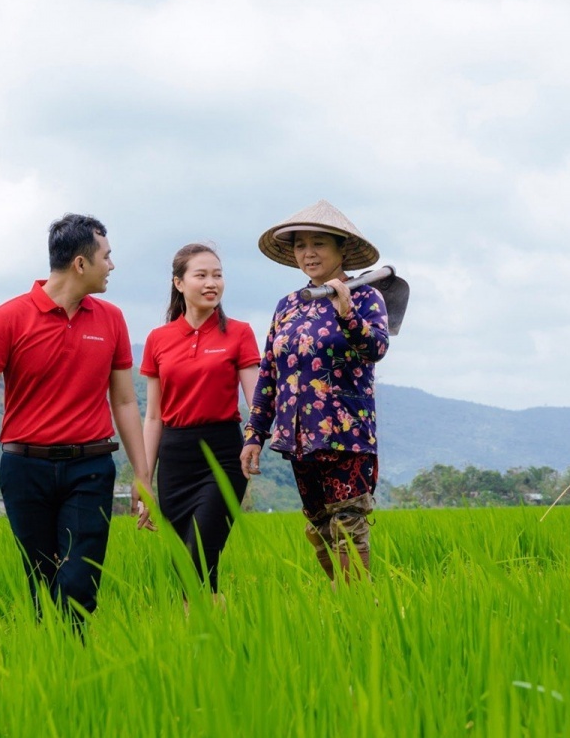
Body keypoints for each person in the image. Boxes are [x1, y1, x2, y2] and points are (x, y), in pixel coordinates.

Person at [0, 214, 152, 627]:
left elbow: (125, 402)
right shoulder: (9, 317)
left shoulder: (111, 319)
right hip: (25, 469)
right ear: (80, 263)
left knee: (78, 584)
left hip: (90, 468)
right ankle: (55, 663)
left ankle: (75, 660)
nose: (112, 265)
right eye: (106, 257)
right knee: (42, 582)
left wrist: (142, 475)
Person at [238, 200, 391, 581]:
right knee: (319, 529)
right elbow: (269, 373)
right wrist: (254, 433)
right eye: (300, 244)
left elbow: (376, 349)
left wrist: (346, 312)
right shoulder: (288, 305)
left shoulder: (367, 296)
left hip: (346, 435)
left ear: (342, 249)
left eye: (318, 243)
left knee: (348, 526)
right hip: (298, 435)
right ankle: (343, 606)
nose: (308, 253)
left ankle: (359, 612)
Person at [137, 243, 261, 594]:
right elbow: (153, 417)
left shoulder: (239, 332)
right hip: (175, 458)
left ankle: (207, 627)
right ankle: (206, 634)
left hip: (223, 452)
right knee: (184, 564)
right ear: (179, 283)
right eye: (201, 275)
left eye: (218, 275)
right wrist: (144, 479)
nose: (212, 283)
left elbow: (256, 401)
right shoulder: (158, 340)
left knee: (201, 553)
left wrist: (258, 438)